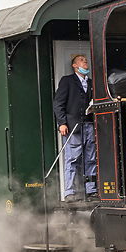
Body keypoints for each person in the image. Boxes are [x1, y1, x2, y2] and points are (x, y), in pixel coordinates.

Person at [52, 54, 97, 202]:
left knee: (91, 158)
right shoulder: (67, 81)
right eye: (81, 61)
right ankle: (69, 192)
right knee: (72, 159)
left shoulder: (92, 83)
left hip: (89, 125)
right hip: (73, 126)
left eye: (86, 61)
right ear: (75, 65)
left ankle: (91, 190)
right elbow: (58, 103)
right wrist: (62, 123)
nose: (85, 63)